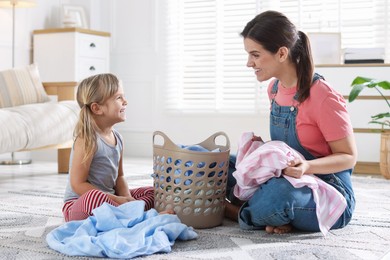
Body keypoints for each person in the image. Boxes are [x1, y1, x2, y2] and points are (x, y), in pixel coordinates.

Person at [225, 10, 357, 234]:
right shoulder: (274, 89)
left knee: (279, 195)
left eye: (255, 55)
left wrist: (308, 166)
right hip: (286, 177)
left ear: (282, 53)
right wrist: (261, 152)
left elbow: (349, 157)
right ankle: (270, 216)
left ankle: (233, 212)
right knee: (218, 163)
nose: (249, 63)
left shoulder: (323, 96)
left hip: (327, 191)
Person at [62, 73, 159, 222]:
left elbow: (119, 177)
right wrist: (114, 199)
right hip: (80, 204)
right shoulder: (87, 139)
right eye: (118, 98)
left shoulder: (118, 138)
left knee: (155, 193)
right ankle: (135, 216)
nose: (125, 101)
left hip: (111, 199)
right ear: (97, 108)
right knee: (93, 198)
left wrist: (126, 198)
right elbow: (78, 184)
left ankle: (128, 214)